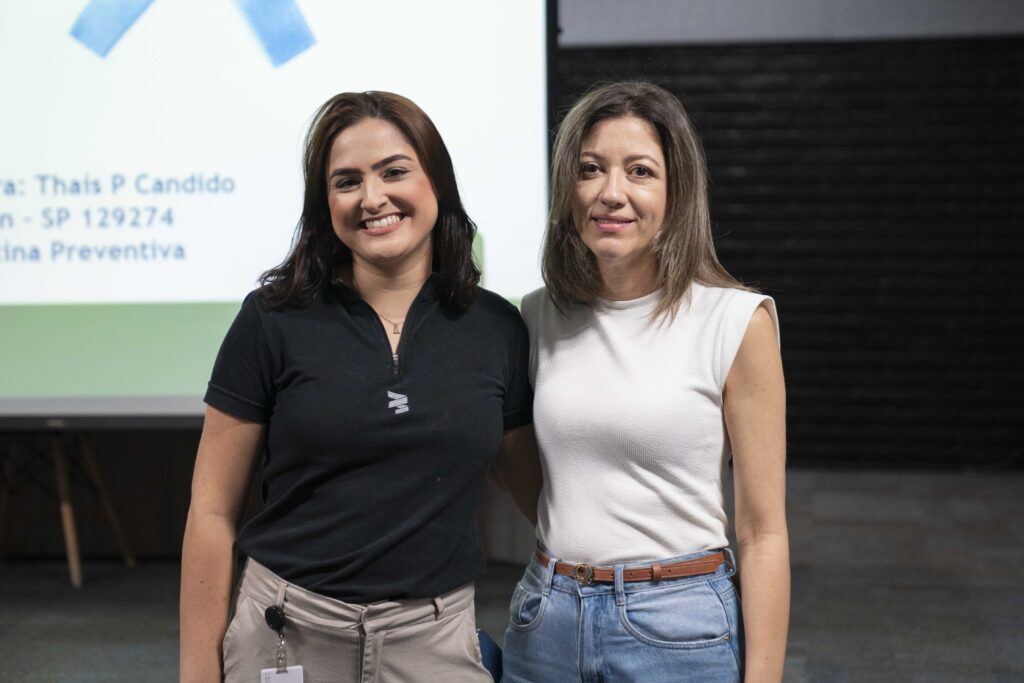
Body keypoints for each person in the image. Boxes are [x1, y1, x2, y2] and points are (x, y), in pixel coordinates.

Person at [179, 91, 536, 683]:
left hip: (437, 644)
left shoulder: (496, 327)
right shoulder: (271, 318)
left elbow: (543, 500)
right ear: (325, 204)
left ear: (437, 183)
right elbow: (212, 511)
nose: (373, 199)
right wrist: (196, 675)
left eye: (395, 171)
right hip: (285, 635)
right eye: (347, 181)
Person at [502, 81, 790, 683]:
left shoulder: (735, 321)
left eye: (640, 171)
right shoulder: (537, 315)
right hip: (546, 618)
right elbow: (532, 473)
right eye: (590, 170)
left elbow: (762, 532)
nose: (611, 193)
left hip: (677, 624)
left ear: (676, 191)